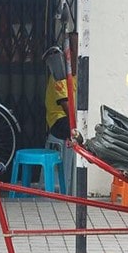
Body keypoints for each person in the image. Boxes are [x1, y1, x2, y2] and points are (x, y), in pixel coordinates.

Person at [44, 35, 78, 194]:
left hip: (69, 117)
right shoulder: (60, 74)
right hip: (58, 121)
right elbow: (65, 104)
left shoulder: (76, 73)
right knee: (79, 135)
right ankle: (70, 187)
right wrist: (76, 126)